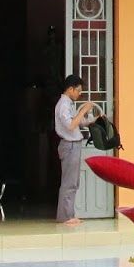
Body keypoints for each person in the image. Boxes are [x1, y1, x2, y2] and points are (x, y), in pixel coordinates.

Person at [53, 74, 96, 225]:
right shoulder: (63, 105)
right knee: (69, 182)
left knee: (73, 181)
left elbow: (78, 123)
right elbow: (70, 125)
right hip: (69, 146)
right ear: (70, 89)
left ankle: (69, 214)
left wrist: (92, 120)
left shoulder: (68, 104)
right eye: (78, 90)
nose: (79, 93)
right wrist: (83, 110)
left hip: (73, 145)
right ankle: (65, 216)